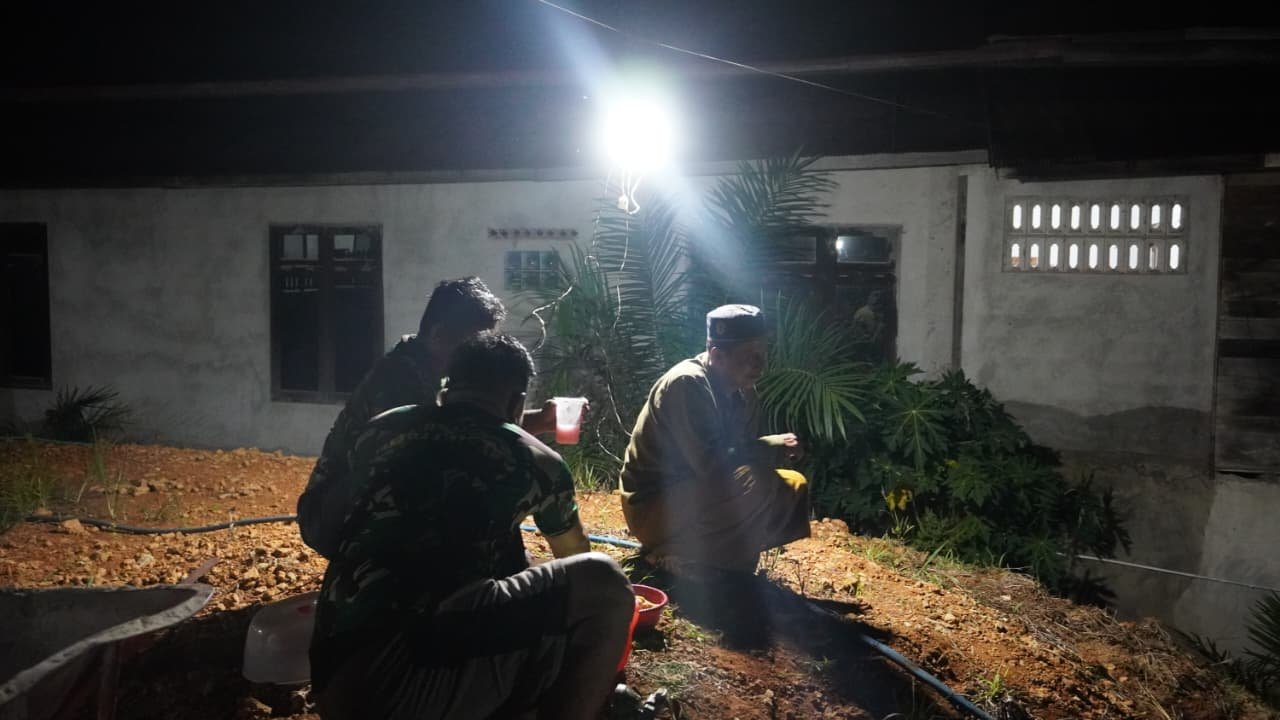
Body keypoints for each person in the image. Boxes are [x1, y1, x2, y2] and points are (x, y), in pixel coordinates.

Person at [310, 333, 634, 720]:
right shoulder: (537, 461)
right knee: (603, 583)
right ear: (517, 402)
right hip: (404, 685)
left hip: (331, 676)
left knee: (512, 560)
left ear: (448, 386)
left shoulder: (382, 428)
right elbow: (574, 555)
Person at [297, 276, 559, 559]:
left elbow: (471, 427)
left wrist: (541, 421)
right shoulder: (400, 382)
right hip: (332, 518)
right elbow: (463, 437)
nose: (482, 353)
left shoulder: (427, 368)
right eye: (474, 342)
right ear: (439, 335)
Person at [618, 304, 811, 575]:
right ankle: (674, 554)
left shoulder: (743, 391)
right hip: (653, 505)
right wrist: (771, 446)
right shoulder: (687, 384)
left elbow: (735, 457)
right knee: (754, 480)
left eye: (762, 352)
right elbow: (712, 464)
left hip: (697, 493)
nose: (759, 363)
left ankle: (714, 561)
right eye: (748, 355)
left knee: (793, 486)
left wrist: (764, 451)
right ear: (717, 356)